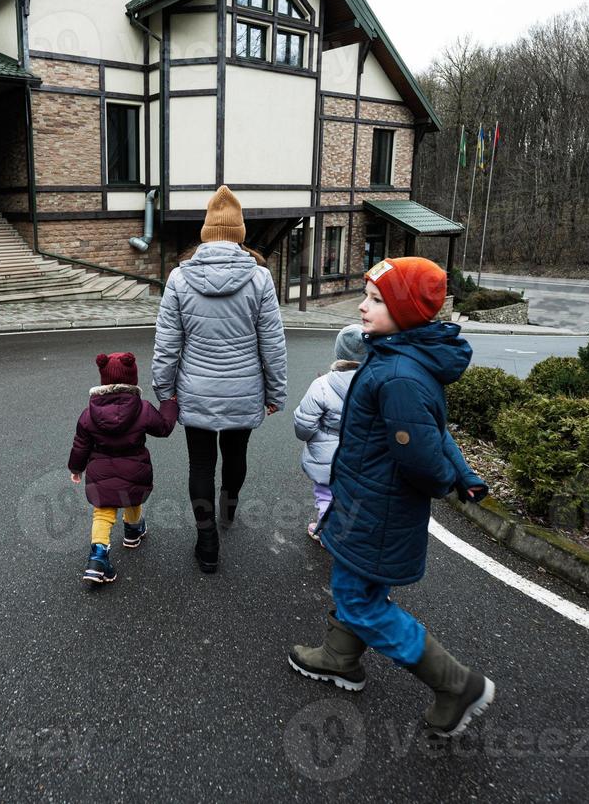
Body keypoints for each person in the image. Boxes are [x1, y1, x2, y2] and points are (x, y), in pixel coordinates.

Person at [287, 258, 495, 738]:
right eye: (366, 295)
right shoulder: (391, 355)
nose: (362, 306)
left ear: (404, 310)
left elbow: (421, 453)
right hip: (365, 500)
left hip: (378, 511)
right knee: (355, 584)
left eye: (377, 300)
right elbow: (435, 430)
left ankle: (455, 684)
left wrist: (448, 478)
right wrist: (463, 473)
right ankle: (340, 656)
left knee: (361, 601)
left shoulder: (398, 373)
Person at [152, 186, 287, 574]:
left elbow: (167, 342)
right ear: (239, 233)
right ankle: (229, 508)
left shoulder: (179, 278)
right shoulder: (260, 278)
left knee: (199, 465)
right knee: (236, 455)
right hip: (244, 391)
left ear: (206, 232)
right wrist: (275, 391)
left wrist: (165, 391)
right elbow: (272, 344)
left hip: (195, 391)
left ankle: (206, 540)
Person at [69, 352, 178, 586]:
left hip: (100, 471)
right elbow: (164, 428)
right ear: (133, 380)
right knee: (132, 495)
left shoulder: (89, 413)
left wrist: (76, 468)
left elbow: (81, 444)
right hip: (134, 468)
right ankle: (132, 531)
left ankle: (97, 559)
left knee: (103, 511)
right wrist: (170, 403)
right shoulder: (143, 408)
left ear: (103, 381)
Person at [293, 325, 364, 543]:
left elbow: (303, 425)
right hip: (360, 452)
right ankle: (352, 533)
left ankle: (327, 533)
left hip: (326, 454)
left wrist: (313, 436)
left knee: (325, 494)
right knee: (354, 496)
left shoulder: (323, 384)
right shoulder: (374, 383)